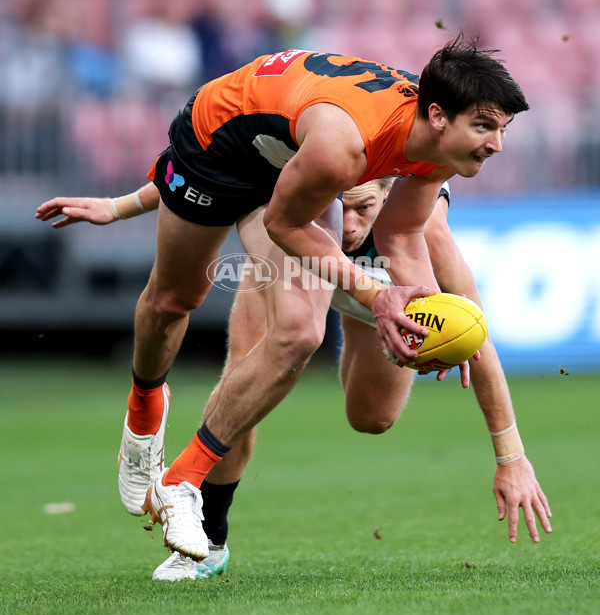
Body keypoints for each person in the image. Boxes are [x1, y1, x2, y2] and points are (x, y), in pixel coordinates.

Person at [38, 37, 534, 563]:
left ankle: (182, 481)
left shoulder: (436, 157)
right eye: (485, 127)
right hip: (221, 152)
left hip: (296, 166)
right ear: (437, 117)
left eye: (502, 129)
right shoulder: (343, 148)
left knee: (372, 415)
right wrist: (120, 206)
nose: (496, 145)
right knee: (188, 305)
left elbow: (415, 254)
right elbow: (283, 221)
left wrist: (506, 448)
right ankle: (154, 432)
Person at [37, 182, 551, 581]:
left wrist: (512, 459)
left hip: (386, 296)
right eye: (342, 205)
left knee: (372, 418)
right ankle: (208, 541)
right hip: (298, 258)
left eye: (364, 209)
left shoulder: (426, 234)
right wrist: (120, 206)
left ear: (392, 193)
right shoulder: (323, 160)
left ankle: (359, 321)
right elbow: (213, 165)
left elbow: (479, 344)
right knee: (245, 385)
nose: (350, 225)